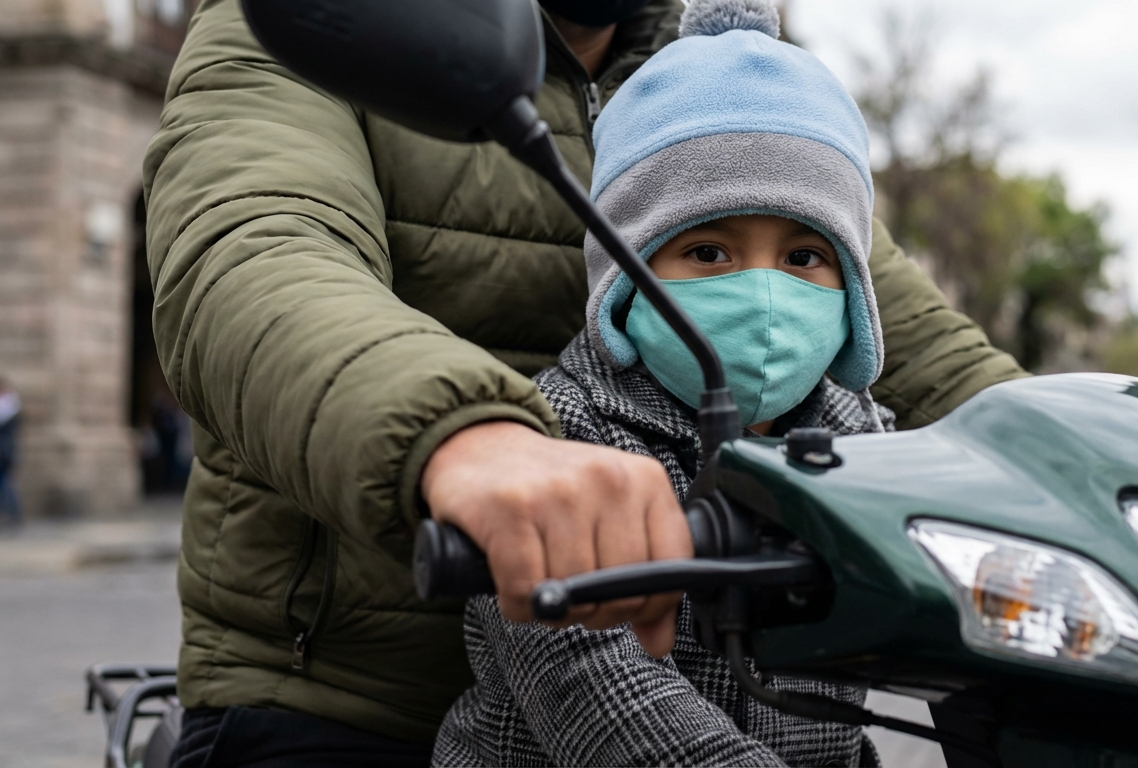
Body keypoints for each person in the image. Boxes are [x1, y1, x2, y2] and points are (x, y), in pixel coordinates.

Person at [147, 0, 1025, 763]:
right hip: (346, 693)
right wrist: (465, 439)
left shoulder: (718, 76)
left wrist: (1094, 463)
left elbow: (914, 333)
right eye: (711, 251)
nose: (765, 287)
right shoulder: (317, 20)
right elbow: (251, 255)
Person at [436, 4, 886, 763]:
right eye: (709, 252)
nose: (765, 297)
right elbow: (608, 701)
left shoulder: (870, 445)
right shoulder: (557, 441)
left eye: (805, 257)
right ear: (624, 279)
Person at [0, 378, 20, 526]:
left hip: (4, 451)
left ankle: (13, 515)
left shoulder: (8, 406)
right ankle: (12, 515)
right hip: (7, 450)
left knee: (5, 483)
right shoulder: (12, 404)